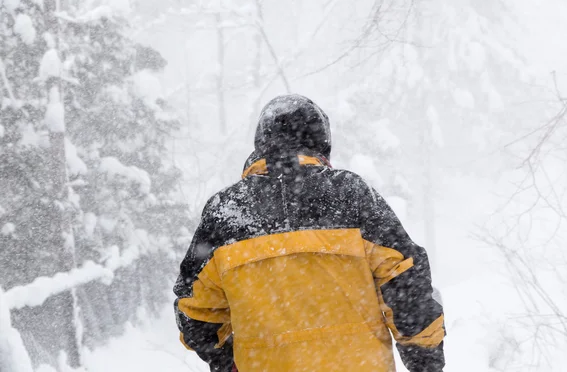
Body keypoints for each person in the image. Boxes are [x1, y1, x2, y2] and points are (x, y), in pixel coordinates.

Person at [173, 94, 445, 372]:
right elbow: (406, 281)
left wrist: (227, 362)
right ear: (322, 144)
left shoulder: (226, 212)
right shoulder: (350, 196)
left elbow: (195, 314)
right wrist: (425, 362)